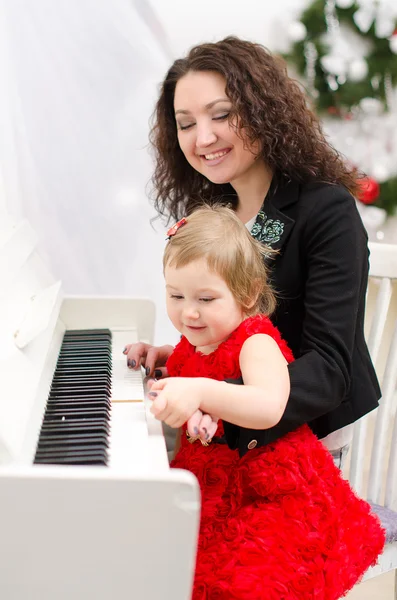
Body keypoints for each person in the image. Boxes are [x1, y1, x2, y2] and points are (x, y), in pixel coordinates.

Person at [124, 36, 381, 468]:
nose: (203, 137)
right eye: (185, 123)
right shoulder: (217, 210)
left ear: (264, 113)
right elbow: (237, 330)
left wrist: (215, 398)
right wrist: (185, 360)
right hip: (227, 428)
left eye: (222, 115)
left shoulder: (326, 210)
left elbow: (328, 370)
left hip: (303, 444)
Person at [139, 204, 385, 600]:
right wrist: (161, 361)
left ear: (248, 293)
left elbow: (268, 405)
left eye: (206, 298)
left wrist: (199, 393)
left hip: (271, 493)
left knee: (243, 583)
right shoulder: (192, 344)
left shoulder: (256, 343)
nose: (188, 311)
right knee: (172, 566)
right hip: (215, 484)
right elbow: (195, 372)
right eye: (175, 294)